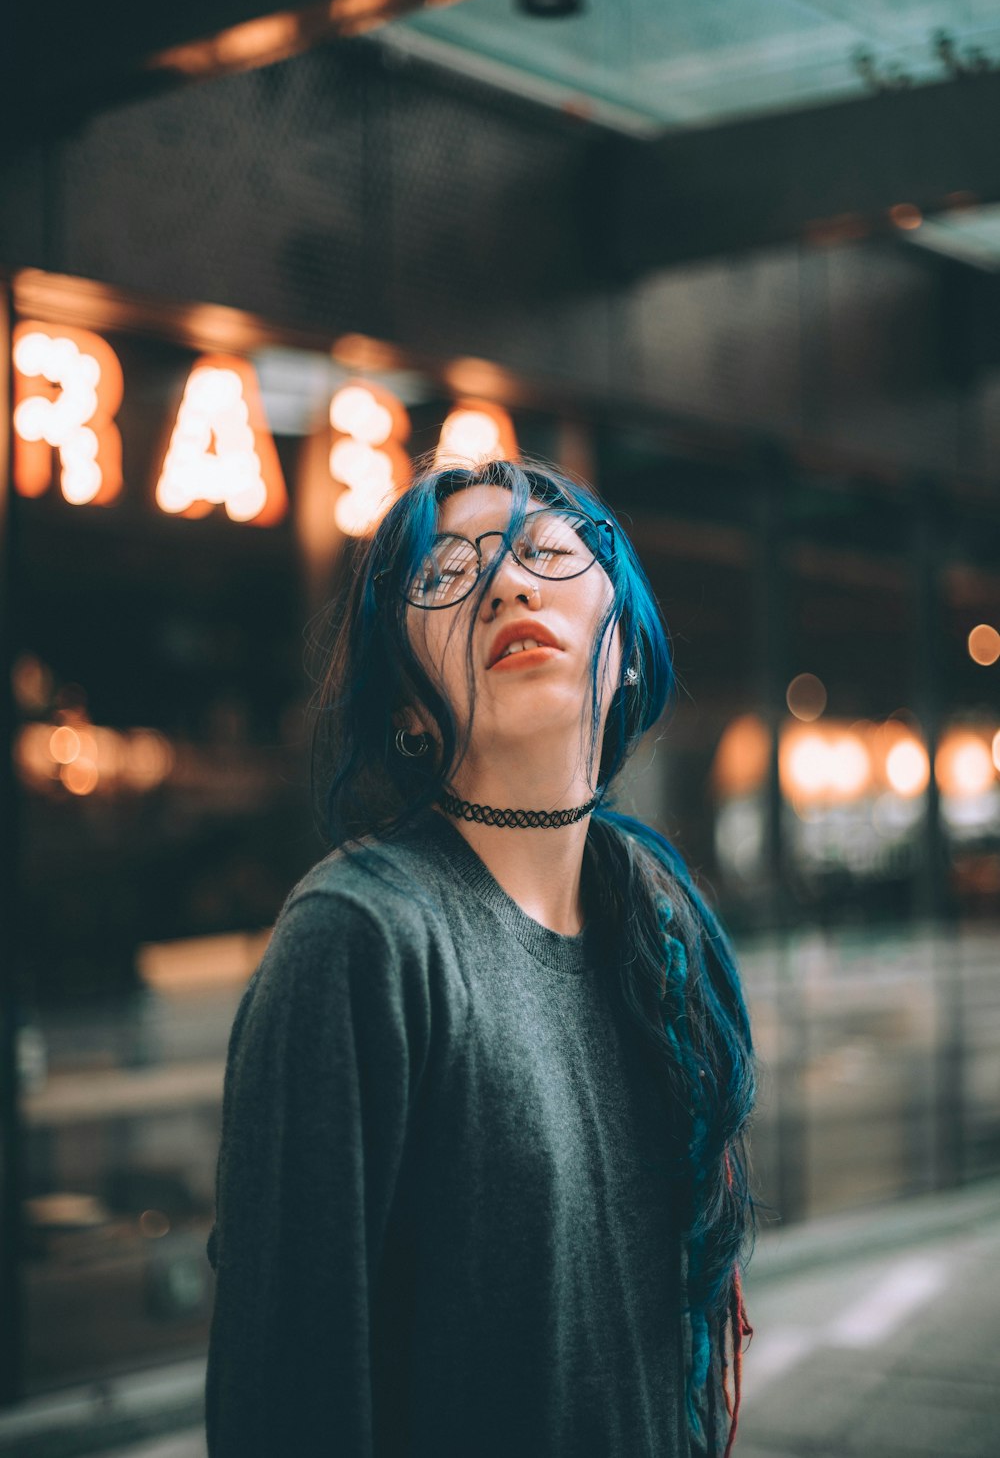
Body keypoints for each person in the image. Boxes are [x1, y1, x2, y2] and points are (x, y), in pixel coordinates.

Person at [204, 456, 756, 1458]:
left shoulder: (659, 935)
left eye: (546, 552)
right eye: (446, 574)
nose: (506, 583)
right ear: (408, 706)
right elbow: (284, 1394)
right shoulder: (360, 938)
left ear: (622, 645)